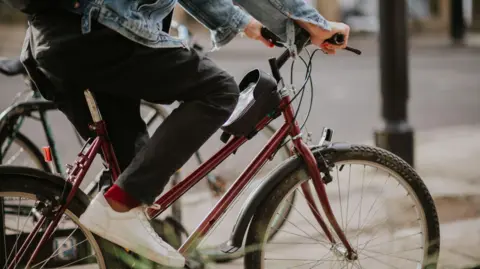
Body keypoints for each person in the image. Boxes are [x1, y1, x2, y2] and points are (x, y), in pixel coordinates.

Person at [20, 0, 350, 266]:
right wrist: (316, 24)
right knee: (218, 91)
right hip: (98, 33)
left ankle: (119, 216)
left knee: (128, 176)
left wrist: (250, 25)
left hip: (56, 40)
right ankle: (120, 206)